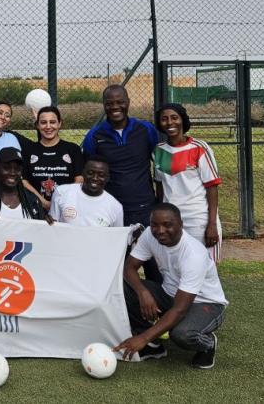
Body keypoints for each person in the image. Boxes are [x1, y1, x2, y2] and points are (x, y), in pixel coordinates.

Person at [114, 203, 227, 369]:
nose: (160, 231)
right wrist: (143, 293)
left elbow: (180, 309)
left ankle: (208, 344)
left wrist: (142, 338)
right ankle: (153, 345)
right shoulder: (150, 236)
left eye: (167, 225)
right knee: (123, 286)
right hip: (170, 295)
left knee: (182, 334)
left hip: (206, 303)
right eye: (155, 225)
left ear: (181, 225)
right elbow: (129, 268)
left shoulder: (193, 254)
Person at [82, 84, 161, 281]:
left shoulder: (146, 130)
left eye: (120, 102)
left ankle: (157, 306)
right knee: (116, 265)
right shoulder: (95, 136)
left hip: (145, 207)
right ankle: (122, 308)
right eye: (110, 103)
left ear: (128, 103)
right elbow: (89, 171)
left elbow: (160, 162)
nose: (115, 107)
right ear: (104, 105)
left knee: (154, 265)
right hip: (113, 210)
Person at [154, 103, 222, 263]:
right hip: (171, 221)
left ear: (182, 120)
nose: (170, 122)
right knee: (176, 270)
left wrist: (211, 224)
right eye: (164, 119)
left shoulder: (199, 148)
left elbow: (212, 187)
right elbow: (160, 186)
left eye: (174, 118)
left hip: (198, 220)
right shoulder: (158, 150)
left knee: (205, 270)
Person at [23, 106, 84, 210]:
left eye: (52, 122)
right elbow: (24, 181)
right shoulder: (28, 150)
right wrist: (42, 202)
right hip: (36, 208)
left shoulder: (73, 149)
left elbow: (79, 179)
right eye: (43, 122)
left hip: (67, 206)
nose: (48, 126)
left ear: (59, 123)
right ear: (37, 125)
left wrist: (61, 201)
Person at [49, 155, 124, 227]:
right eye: (90, 173)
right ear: (83, 173)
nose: (95, 178)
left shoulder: (115, 208)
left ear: (107, 178)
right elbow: (53, 227)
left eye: (101, 175)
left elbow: (115, 237)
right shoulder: (61, 193)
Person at [0, 147, 49, 221]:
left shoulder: (32, 200)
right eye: (6, 167)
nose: (12, 173)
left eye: (17, 168)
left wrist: (47, 222)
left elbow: (40, 229)